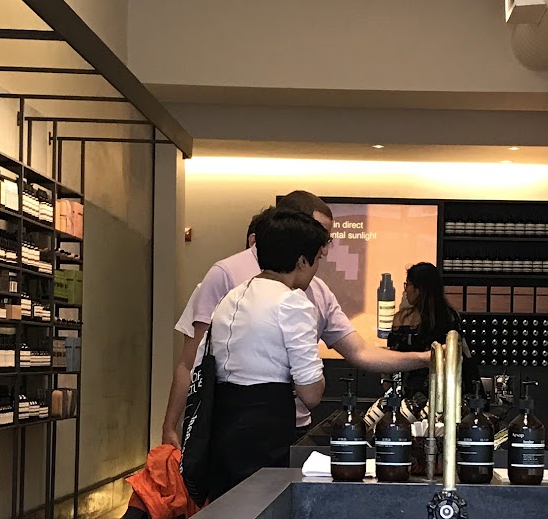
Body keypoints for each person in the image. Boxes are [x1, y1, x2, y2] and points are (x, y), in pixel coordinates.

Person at [160, 188, 425, 445]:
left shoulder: (311, 290)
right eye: (319, 236)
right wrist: (171, 425)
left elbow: (360, 351)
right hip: (240, 426)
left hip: (285, 424)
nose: (325, 249)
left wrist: (425, 358)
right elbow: (192, 363)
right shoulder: (232, 277)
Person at [202, 207, 329, 500]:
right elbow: (311, 394)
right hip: (264, 429)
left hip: (219, 425)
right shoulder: (293, 303)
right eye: (317, 259)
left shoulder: (230, 298)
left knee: (224, 513)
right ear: (302, 261)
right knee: (261, 513)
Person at [385, 261, 460, 354]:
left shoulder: (402, 319)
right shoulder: (452, 316)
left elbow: (394, 357)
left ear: (418, 289)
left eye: (407, 284)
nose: (405, 290)